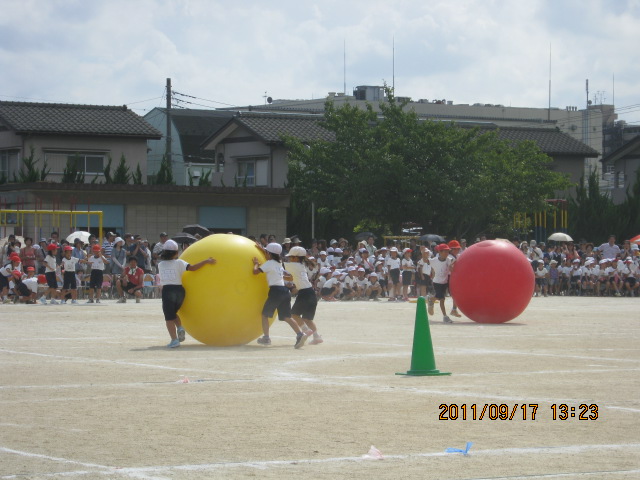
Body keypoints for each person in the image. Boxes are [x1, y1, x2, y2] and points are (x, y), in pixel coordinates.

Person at [158, 239, 216, 348]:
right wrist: (206, 261)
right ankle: (179, 327)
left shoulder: (160, 265)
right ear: (176, 253)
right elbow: (193, 268)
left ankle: (174, 340)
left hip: (168, 291)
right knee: (173, 313)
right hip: (180, 290)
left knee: (168, 317)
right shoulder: (179, 262)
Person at [253, 242, 306, 348]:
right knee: (287, 317)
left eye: (266, 252)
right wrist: (263, 249)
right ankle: (300, 334)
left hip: (275, 291)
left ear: (269, 253)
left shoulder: (269, 263)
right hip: (285, 291)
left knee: (265, 315)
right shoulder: (279, 263)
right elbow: (272, 255)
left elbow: (255, 272)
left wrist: (256, 263)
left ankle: (266, 338)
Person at [284, 246, 323, 345]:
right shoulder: (301, 265)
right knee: (307, 319)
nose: (289, 258)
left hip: (304, 293)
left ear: (296, 258)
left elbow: (277, 264)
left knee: (294, 314)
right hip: (311, 292)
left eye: (291, 257)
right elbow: (290, 277)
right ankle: (316, 337)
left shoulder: (293, 265)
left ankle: (306, 330)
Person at [428, 243, 455, 323]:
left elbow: (451, 268)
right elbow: (426, 261)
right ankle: (445, 316)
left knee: (442, 299)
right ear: (439, 252)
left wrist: (451, 268)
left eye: (448, 251)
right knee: (441, 298)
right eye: (445, 251)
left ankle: (431, 300)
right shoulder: (434, 260)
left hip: (445, 282)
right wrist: (423, 253)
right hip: (437, 282)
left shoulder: (448, 259)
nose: (447, 253)